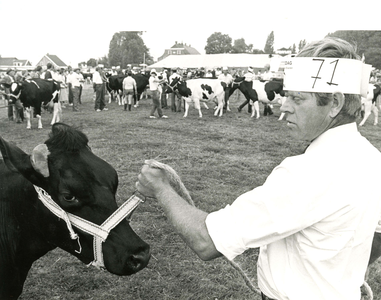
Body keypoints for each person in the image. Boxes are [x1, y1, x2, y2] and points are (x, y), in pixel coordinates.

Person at [136, 37, 381, 300]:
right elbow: (376, 234)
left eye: (297, 99)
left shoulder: (307, 172)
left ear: (335, 103)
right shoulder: (372, 157)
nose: (283, 108)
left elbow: (206, 241)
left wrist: (161, 188)